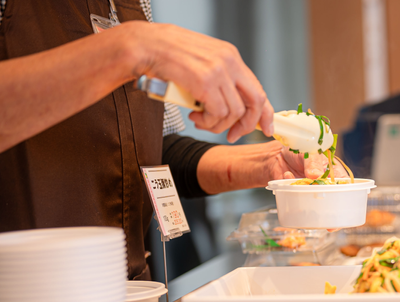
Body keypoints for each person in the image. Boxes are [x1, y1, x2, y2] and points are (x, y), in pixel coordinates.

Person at [0, 0, 345, 279]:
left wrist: (267, 162)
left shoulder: (136, 5)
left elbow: (157, 152)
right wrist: (131, 47)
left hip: (129, 297)